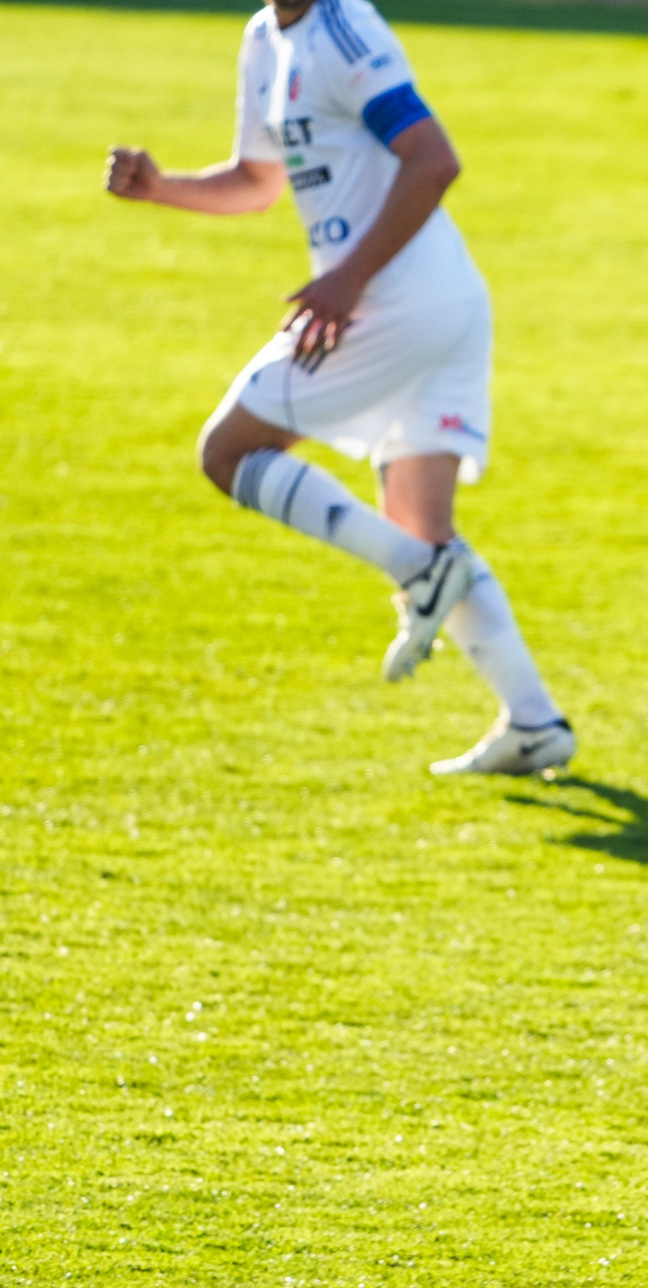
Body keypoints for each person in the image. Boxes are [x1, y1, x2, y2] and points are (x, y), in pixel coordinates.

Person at [103, 0, 575, 777]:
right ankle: (533, 721)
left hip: (396, 301)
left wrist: (348, 281)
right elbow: (258, 182)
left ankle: (423, 574)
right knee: (418, 524)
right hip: (439, 302)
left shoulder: (346, 30)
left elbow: (435, 158)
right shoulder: (264, 39)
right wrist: (161, 188)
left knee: (228, 451)